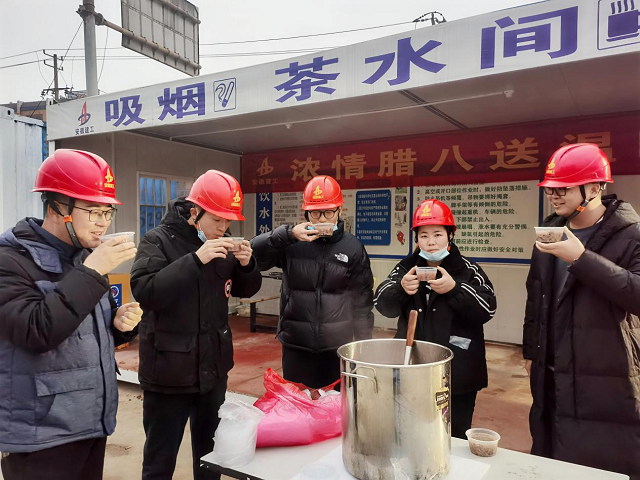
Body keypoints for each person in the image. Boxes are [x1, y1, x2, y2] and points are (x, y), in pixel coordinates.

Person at [0, 149, 141, 480]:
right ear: (56, 207)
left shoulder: (83, 258)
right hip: (40, 435)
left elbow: (82, 331)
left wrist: (119, 325)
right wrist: (92, 271)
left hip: (90, 422)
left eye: (107, 211)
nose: (103, 222)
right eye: (93, 211)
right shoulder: (11, 261)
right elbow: (36, 331)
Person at [131, 170, 261, 480]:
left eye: (228, 221)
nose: (223, 227)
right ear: (194, 213)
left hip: (212, 373)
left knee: (210, 459)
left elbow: (245, 289)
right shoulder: (157, 240)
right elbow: (146, 291)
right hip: (168, 376)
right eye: (217, 219)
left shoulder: (222, 244)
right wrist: (195, 260)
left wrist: (247, 264)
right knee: (160, 461)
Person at [523, 143, 640, 479]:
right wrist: (531, 352)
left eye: (563, 189)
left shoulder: (632, 235)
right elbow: (535, 298)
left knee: (600, 464)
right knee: (551, 460)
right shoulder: (550, 233)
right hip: (551, 377)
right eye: (550, 189)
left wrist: (582, 259)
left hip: (605, 377)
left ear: (594, 187)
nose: (553, 196)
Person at [374, 199, 496, 438]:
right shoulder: (406, 268)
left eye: (438, 234)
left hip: (458, 373)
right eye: (424, 235)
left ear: (450, 235)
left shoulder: (468, 270)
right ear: (417, 239)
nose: (431, 242)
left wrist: (455, 289)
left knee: (454, 435)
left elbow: (488, 308)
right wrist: (400, 289)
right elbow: (381, 304)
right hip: (412, 369)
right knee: (411, 432)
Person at [251, 175, 374, 388]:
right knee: (298, 404)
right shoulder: (292, 244)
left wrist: (363, 347)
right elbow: (253, 256)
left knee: (334, 404)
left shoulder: (353, 247)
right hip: (296, 344)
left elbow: (362, 302)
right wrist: (287, 234)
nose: (322, 219)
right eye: (315, 213)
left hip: (336, 347)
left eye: (328, 212)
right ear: (306, 213)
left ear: (339, 211)